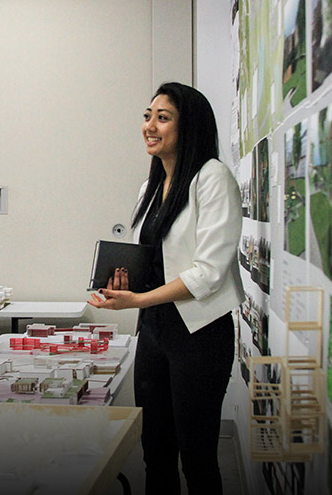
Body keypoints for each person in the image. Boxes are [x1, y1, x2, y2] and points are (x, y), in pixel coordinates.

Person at [88, 82, 244, 494]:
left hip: (199, 333)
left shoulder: (213, 178)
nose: (149, 126)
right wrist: (124, 286)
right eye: (147, 116)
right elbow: (154, 262)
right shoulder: (151, 187)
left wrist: (138, 298)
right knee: (154, 449)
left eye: (163, 117)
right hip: (155, 329)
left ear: (187, 125)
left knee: (197, 457)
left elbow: (208, 272)